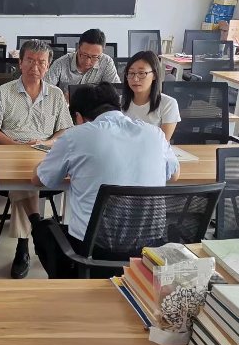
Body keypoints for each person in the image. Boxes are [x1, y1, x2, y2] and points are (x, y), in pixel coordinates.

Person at [31, 82, 180, 277]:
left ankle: (71, 283)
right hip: (148, 254)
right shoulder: (155, 134)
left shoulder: (75, 136)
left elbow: (39, 179)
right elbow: (174, 175)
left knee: (42, 229)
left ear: (78, 117)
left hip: (93, 253)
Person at [0, 39, 73, 278]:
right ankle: (27, 239)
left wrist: (46, 143)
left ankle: (31, 233)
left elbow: (64, 130)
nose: (35, 67)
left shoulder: (56, 95)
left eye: (41, 62)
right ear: (20, 63)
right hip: (10, 152)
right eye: (30, 60)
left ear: (48, 65)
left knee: (33, 177)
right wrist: (16, 147)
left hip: (44, 153)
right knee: (25, 181)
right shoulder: (4, 92)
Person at [121, 51, 180, 141]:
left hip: (154, 150)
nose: (135, 79)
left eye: (141, 73)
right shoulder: (118, 102)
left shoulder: (168, 104)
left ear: (154, 75)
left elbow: (162, 144)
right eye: (131, 73)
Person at [45, 28, 120, 87]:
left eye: (94, 57)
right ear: (78, 47)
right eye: (84, 55)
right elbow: (45, 89)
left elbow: (116, 91)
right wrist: (60, 97)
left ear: (102, 52)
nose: (87, 61)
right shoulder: (61, 63)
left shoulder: (106, 62)